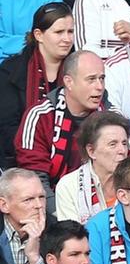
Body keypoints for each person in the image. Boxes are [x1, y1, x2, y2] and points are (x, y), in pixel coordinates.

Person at [0, 3, 73, 172]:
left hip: (73, 159)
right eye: (59, 32)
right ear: (39, 35)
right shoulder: (10, 72)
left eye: (70, 31)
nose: (67, 39)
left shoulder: (81, 67)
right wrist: (41, 151)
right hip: (22, 161)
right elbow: (7, 127)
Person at [15, 51, 104, 189]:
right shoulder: (40, 116)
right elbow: (35, 180)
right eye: (91, 79)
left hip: (106, 202)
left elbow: (124, 169)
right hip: (50, 203)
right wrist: (60, 210)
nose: (99, 87)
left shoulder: (111, 117)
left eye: (102, 78)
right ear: (68, 82)